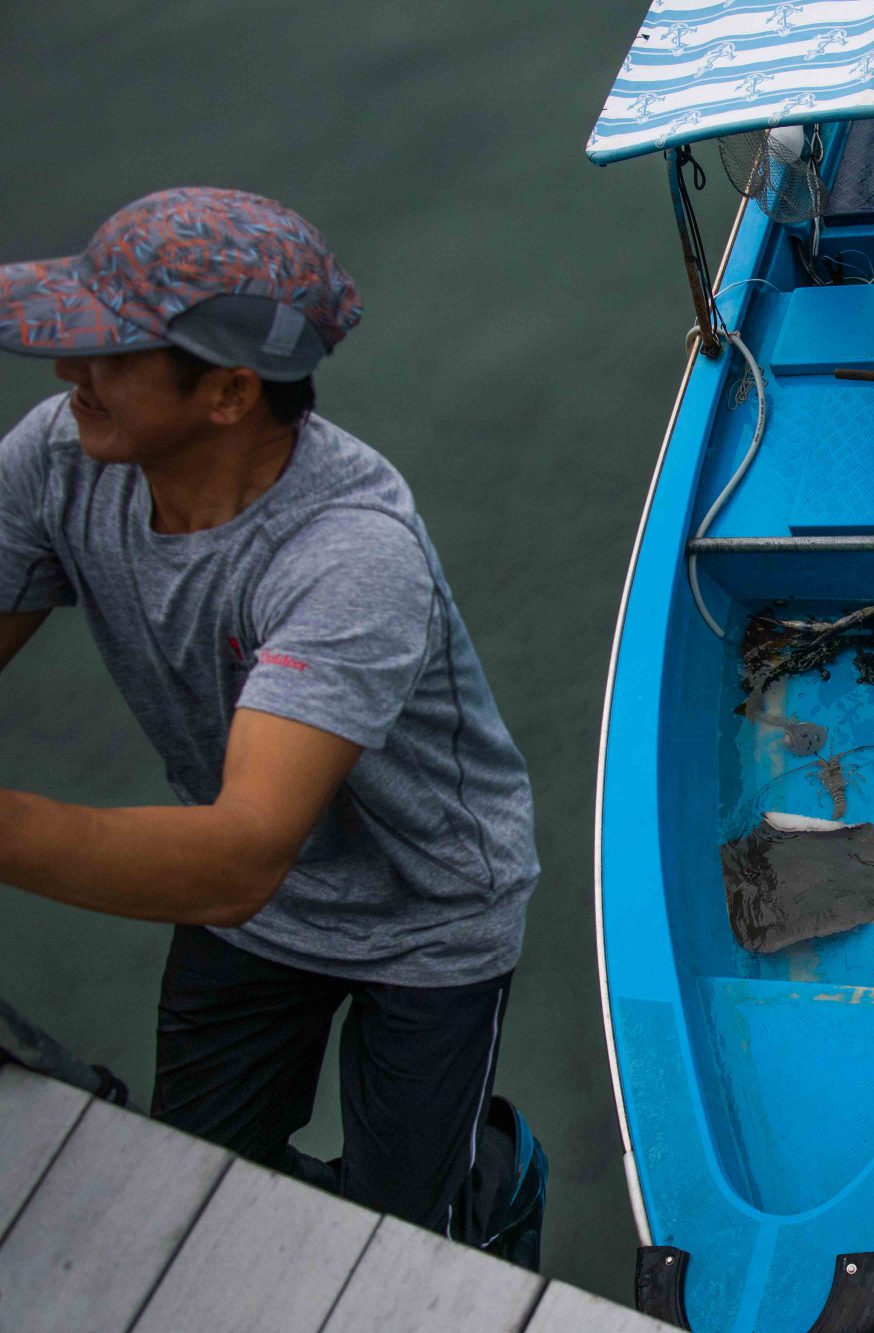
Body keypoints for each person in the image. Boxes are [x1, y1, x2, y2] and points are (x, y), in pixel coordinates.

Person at [0, 188, 546, 1264]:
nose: (71, 376)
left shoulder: (350, 556)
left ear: (228, 393)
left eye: (111, 353)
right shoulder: (59, 457)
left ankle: (494, 1180)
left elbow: (242, 853)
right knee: (192, 1191)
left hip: (426, 913)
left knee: (401, 1253)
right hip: (253, 907)